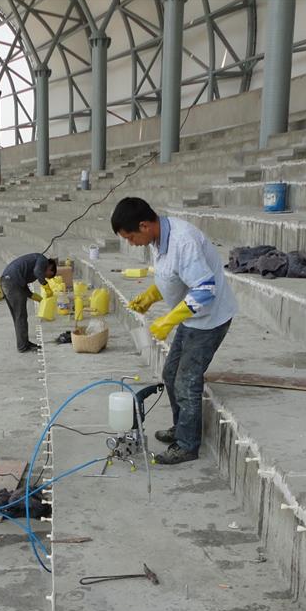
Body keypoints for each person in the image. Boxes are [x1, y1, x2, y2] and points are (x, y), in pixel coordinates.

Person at [111, 197, 238, 465]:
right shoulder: (158, 240)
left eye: (130, 236)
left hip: (210, 319)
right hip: (191, 317)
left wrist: (169, 320)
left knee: (186, 381)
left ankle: (187, 445)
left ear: (144, 226)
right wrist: (150, 296)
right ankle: (182, 428)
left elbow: (205, 289)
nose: (131, 243)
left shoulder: (183, 242)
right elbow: (172, 277)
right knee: (171, 373)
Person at [0, 253, 58, 353]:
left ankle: (24, 343)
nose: (46, 277)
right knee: (20, 316)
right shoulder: (42, 260)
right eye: (49, 276)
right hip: (11, 282)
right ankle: (22, 346)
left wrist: (31, 295)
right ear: (50, 268)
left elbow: (22, 281)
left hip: (8, 281)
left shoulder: (35, 263)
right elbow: (37, 272)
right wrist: (45, 285)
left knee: (19, 316)